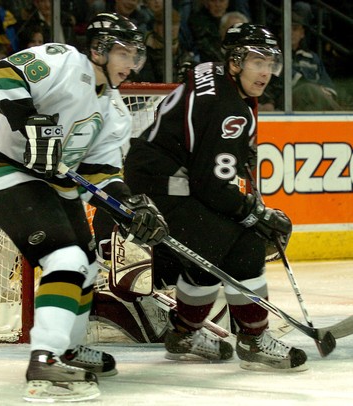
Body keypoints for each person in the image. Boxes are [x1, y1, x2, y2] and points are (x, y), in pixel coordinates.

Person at [0, 12, 168, 402]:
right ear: (98, 50)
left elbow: (99, 173)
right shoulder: (64, 61)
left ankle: (66, 348)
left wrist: (127, 204)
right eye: (124, 53)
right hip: (8, 172)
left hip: (57, 187)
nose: (131, 63)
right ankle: (44, 358)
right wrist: (30, 122)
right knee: (66, 259)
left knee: (87, 264)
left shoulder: (114, 110)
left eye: (136, 55)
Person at [124, 23, 308, 371]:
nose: (266, 72)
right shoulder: (231, 111)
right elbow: (211, 184)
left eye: (270, 62)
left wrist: (247, 203)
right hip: (164, 187)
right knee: (245, 244)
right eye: (257, 61)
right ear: (235, 62)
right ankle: (253, 339)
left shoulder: (211, 71)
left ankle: (184, 334)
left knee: (208, 251)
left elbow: (211, 167)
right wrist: (255, 213)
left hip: (157, 176)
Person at [259, 8, 341, 111]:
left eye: (295, 29)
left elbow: (328, 86)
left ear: (302, 33)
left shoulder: (312, 58)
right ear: (280, 33)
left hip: (311, 104)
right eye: (287, 29)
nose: (291, 33)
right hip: (284, 103)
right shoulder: (272, 56)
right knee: (307, 89)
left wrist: (323, 92)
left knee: (312, 96)